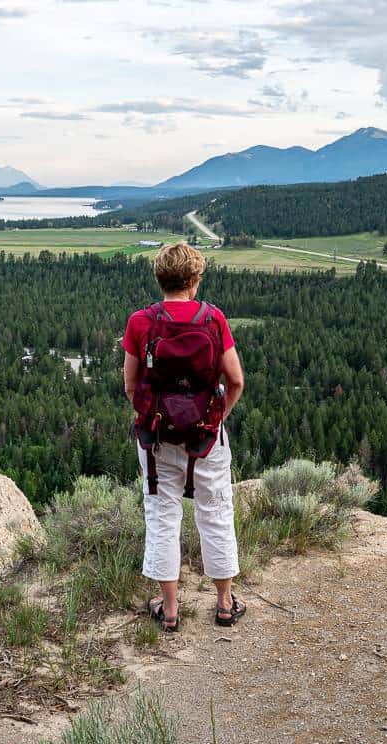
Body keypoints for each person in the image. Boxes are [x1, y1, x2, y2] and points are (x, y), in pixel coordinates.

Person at [122, 242, 246, 632]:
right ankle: (224, 603)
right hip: (207, 439)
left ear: (160, 278)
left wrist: (156, 417)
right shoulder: (213, 319)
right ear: (193, 281)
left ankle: (170, 608)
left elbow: (130, 385)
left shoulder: (141, 322)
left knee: (162, 515)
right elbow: (237, 380)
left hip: (157, 439)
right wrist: (214, 419)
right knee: (216, 511)